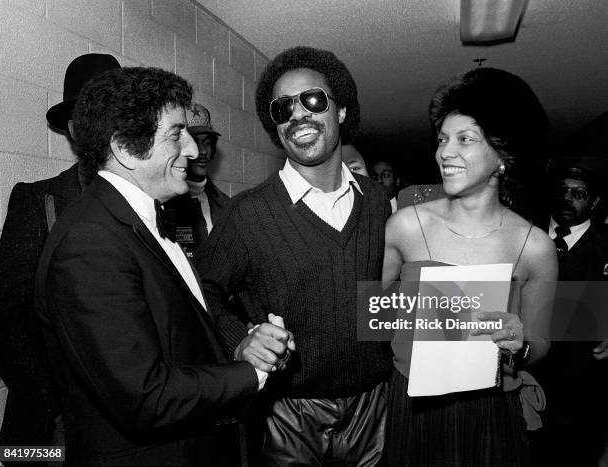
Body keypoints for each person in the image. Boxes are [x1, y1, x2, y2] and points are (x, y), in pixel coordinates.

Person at [34, 67, 292, 466]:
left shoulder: (142, 219)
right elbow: (146, 397)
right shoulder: (90, 242)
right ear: (124, 148)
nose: (193, 149)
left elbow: (179, 333)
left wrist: (242, 341)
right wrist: (251, 373)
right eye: (176, 134)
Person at [198, 46, 392, 466]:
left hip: (374, 407)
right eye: (283, 108)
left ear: (340, 111)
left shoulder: (378, 204)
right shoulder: (247, 214)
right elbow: (200, 292)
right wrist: (240, 341)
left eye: (313, 100)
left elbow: (396, 295)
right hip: (288, 413)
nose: (298, 115)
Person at [382, 67, 557, 466]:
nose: (445, 151)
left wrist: (522, 343)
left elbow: (541, 343)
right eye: (443, 139)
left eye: (465, 139)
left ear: (502, 155)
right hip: (413, 406)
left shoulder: (536, 247)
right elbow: (369, 313)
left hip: (492, 414)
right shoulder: (406, 226)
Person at [0, 53, 120, 453]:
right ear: (74, 128)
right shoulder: (38, 200)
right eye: (97, 114)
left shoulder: (151, 205)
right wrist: (54, 408)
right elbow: (4, 315)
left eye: (120, 112)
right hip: (46, 433)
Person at [532, 156, 608, 466]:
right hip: (528, 375)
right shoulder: (522, 235)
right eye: (562, 190)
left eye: (578, 193)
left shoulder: (606, 245)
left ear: (594, 201)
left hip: (585, 383)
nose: (567, 199)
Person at [164, 102, 230, 262]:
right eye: (194, 141)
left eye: (207, 143)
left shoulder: (225, 205)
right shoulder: (164, 205)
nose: (201, 151)